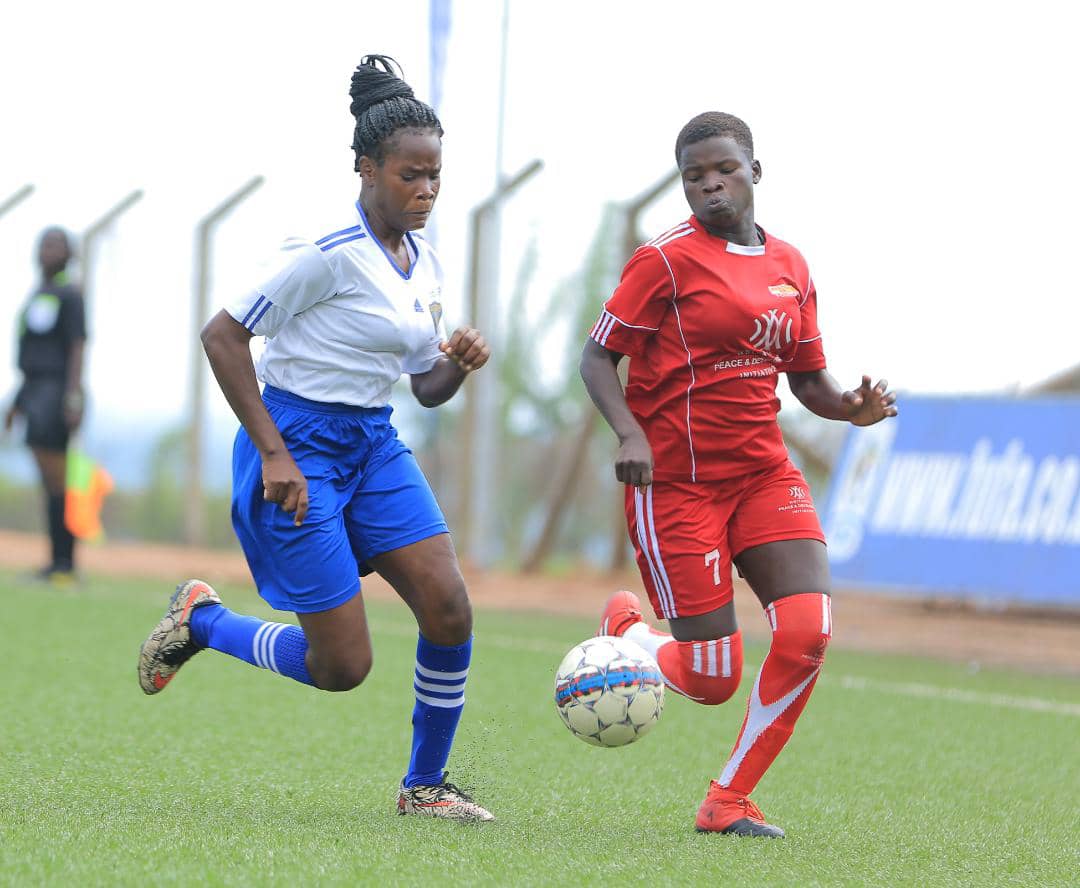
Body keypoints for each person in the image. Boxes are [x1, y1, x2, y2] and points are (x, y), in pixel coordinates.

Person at [137, 56, 494, 822]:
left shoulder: (422, 259)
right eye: (410, 175)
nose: (426, 190)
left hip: (374, 443)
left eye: (435, 176)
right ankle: (203, 621)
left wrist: (456, 366)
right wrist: (274, 452)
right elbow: (223, 337)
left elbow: (425, 388)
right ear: (366, 168)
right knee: (342, 668)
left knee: (450, 609)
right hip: (296, 441)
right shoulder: (325, 250)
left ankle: (425, 786)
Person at [580, 112, 897, 838]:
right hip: (679, 486)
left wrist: (851, 408)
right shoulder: (663, 261)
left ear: (755, 170)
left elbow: (809, 383)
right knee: (713, 680)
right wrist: (630, 432)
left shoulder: (792, 265)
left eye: (723, 168)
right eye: (695, 176)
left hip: (762, 476)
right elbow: (597, 358)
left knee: (808, 631)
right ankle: (631, 634)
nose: (710, 183)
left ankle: (728, 800)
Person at [5, 227, 86, 583]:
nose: (47, 250)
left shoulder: (70, 294)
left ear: (69, 253)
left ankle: (64, 562)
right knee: (47, 477)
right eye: (43, 244)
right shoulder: (38, 293)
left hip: (55, 390)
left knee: (58, 478)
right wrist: (17, 401)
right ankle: (56, 560)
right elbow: (30, 353)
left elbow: (77, 346)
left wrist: (72, 396)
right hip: (33, 388)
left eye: (56, 244)